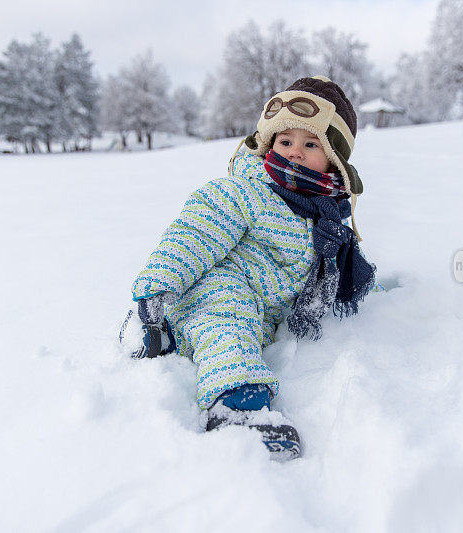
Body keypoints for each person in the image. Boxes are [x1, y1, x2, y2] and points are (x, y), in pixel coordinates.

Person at [130, 76, 376, 460]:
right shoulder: (249, 190)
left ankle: (170, 338)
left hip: (260, 310)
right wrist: (159, 284)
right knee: (227, 323)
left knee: (242, 329)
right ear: (268, 144)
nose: (295, 152)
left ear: (334, 159)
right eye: (285, 141)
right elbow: (195, 230)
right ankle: (235, 404)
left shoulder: (326, 218)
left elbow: (337, 271)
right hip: (214, 288)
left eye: (311, 144)